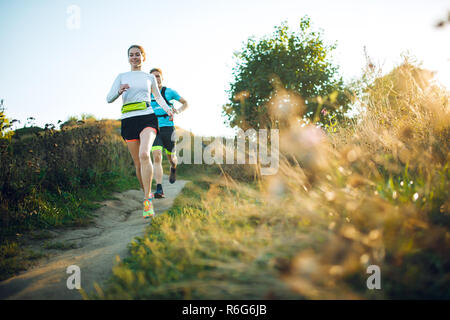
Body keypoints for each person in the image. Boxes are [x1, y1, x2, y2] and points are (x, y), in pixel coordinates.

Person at [106, 45, 173, 219]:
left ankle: (146, 201)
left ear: (143, 57)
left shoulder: (149, 77)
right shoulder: (121, 77)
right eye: (131, 55)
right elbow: (108, 98)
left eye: (137, 54)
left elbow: (158, 97)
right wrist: (119, 91)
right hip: (128, 119)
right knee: (137, 163)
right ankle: (148, 193)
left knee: (145, 154)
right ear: (128, 58)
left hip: (147, 117)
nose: (134, 57)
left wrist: (169, 110)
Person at [149, 68, 188, 198]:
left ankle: (173, 168)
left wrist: (178, 111)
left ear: (162, 78)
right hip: (154, 129)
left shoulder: (169, 92)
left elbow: (185, 103)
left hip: (168, 128)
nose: (156, 79)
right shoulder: (146, 94)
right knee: (157, 156)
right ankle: (159, 188)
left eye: (158, 76)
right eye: (153, 77)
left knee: (171, 158)